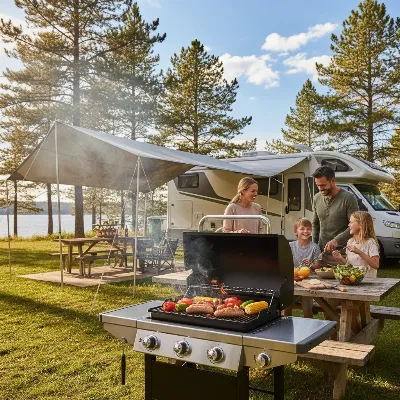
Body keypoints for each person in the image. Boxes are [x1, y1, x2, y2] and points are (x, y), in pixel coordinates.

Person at [332, 211, 380, 333]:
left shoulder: (370, 243)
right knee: (333, 308)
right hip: (352, 282)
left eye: (351, 222)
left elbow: (376, 264)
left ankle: (356, 342)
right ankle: (346, 340)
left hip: (365, 285)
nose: (348, 225)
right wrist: (340, 259)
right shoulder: (350, 242)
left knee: (351, 316)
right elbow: (349, 265)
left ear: (361, 225)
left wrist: (360, 252)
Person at [312, 165, 359, 266]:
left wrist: (336, 241)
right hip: (321, 253)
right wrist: (314, 247)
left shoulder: (348, 198)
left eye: (323, 185)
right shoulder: (316, 198)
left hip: (342, 253)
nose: (320, 189)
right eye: (318, 185)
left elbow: (356, 225)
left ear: (332, 180)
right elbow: (315, 225)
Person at [285, 218, 321, 318]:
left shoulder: (314, 247)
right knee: (286, 309)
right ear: (295, 231)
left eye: (308, 229)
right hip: (293, 282)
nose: (306, 231)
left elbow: (318, 265)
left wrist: (311, 264)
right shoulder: (290, 246)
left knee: (307, 310)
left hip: (308, 283)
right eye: (302, 229)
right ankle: (287, 329)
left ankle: (309, 331)